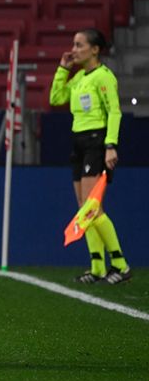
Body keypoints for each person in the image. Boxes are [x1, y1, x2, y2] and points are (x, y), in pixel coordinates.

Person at [50, 28, 131, 284]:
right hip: (79, 142)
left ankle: (120, 264)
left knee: (92, 208)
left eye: (79, 45)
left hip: (97, 141)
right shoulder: (78, 78)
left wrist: (110, 145)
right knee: (83, 209)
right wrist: (63, 69)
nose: (74, 50)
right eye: (73, 44)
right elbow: (56, 98)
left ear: (95, 49)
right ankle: (97, 267)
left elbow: (115, 112)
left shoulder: (103, 77)